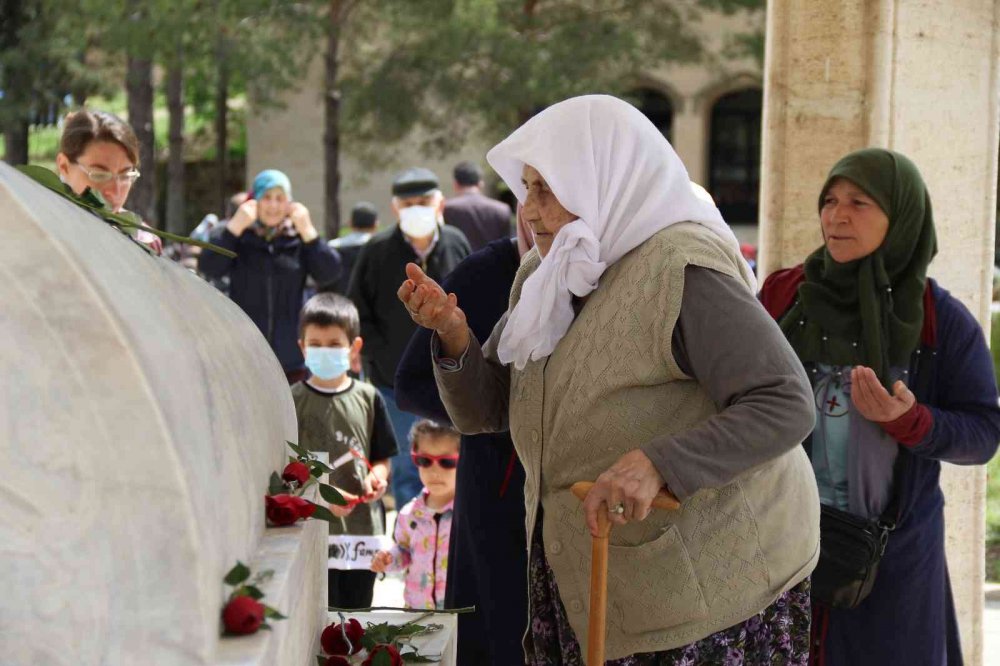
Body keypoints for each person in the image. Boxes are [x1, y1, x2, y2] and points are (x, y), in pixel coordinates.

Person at [399, 95, 822, 664]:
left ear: (602, 180)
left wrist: (659, 463)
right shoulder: (552, 271)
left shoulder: (682, 268)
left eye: (546, 189)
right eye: (526, 189)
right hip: (594, 577)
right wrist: (453, 334)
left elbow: (785, 402)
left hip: (708, 594)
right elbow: (486, 410)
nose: (528, 210)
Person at [759, 148, 1000, 666]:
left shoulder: (939, 320)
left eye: (859, 202)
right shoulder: (784, 296)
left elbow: (984, 432)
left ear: (901, 215)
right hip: (783, 545)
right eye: (829, 200)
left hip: (888, 563)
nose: (836, 215)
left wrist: (911, 421)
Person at [394, 208, 533, 665]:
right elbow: (412, 383)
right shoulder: (486, 273)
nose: (535, 213)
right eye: (527, 193)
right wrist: (498, 413)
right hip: (498, 493)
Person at [348, 167, 471, 509]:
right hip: (395, 384)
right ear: (395, 208)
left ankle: (447, 539)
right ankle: (409, 540)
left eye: (424, 201)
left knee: (450, 464)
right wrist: (383, 355)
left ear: (440, 203)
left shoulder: (456, 243)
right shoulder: (376, 250)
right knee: (407, 468)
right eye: (408, 203)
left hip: (451, 379)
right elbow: (358, 310)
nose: (416, 208)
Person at [291, 292, 397, 609]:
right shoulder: (291, 400)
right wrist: (321, 496)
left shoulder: (369, 397)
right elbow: (285, 468)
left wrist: (377, 479)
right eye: (316, 344)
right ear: (302, 347)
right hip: (312, 533)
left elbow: (381, 457)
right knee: (319, 617)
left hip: (362, 534)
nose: (325, 351)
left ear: (354, 348)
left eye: (335, 344)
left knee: (357, 614)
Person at [199, 169, 342, 383]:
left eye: (280, 198)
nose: (273, 205)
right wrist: (234, 228)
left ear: (290, 204)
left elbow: (330, 273)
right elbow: (209, 267)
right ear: (254, 201)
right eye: (266, 197)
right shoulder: (239, 237)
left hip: (292, 359)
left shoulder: (298, 239)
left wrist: (309, 233)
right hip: (245, 355)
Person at [370, 419, 458, 610]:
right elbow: (404, 550)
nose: (435, 471)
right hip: (417, 612)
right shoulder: (409, 514)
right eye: (425, 461)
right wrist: (389, 558)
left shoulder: (467, 516)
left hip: (458, 614)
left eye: (446, 462)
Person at [55, 109, 161, 253]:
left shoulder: (134, 232)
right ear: (64, 166)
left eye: (125, 175)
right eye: (99, 175)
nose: (115, 192)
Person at [443, 160, 513, 251]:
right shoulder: (502, 209)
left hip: (460, 264)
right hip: (493, 263)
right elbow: (508, 246)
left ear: (455, 184)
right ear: (480, 184)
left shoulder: (446, 208)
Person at [326, 201, 378, 295]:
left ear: (350, 223)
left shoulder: (332, 247)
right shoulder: (380, 248)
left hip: (338, 305)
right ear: (375, 225)